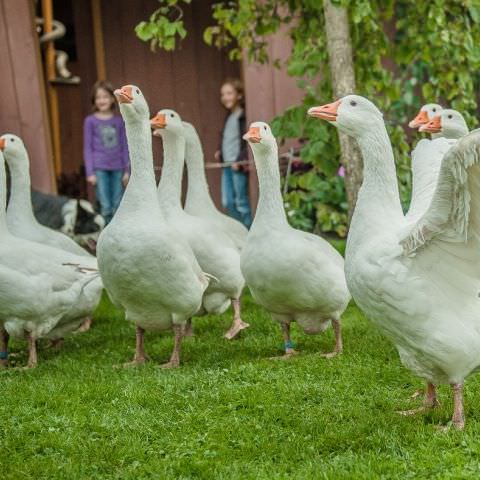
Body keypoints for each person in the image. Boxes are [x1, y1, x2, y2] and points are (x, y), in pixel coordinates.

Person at [83, 80, 129, 224]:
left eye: (105, 97)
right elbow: (88, 147)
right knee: (105, 206)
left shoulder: (119, 122)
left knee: (117, 204)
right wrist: (90, 172)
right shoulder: (90, 121)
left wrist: (127, 170)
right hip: (100, 169)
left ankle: (119, 235)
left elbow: (124, 146)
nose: (102, 100)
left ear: (111, 99)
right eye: (98, 97)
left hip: (118, 168)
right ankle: (106, 238)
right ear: (94, 100)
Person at [216, 78, 252, 228]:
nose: (225, 97)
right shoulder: (229, 117)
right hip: (227, 165)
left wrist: (241, 159)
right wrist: (220, 151)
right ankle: (239, 230)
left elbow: (245, 142)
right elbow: (228, 138)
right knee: (227, 201)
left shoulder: (242, 117)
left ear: (239, 95)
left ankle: (248, 232)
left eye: (229, 93)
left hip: (238, 165)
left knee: (241, 202)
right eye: (223, 94)